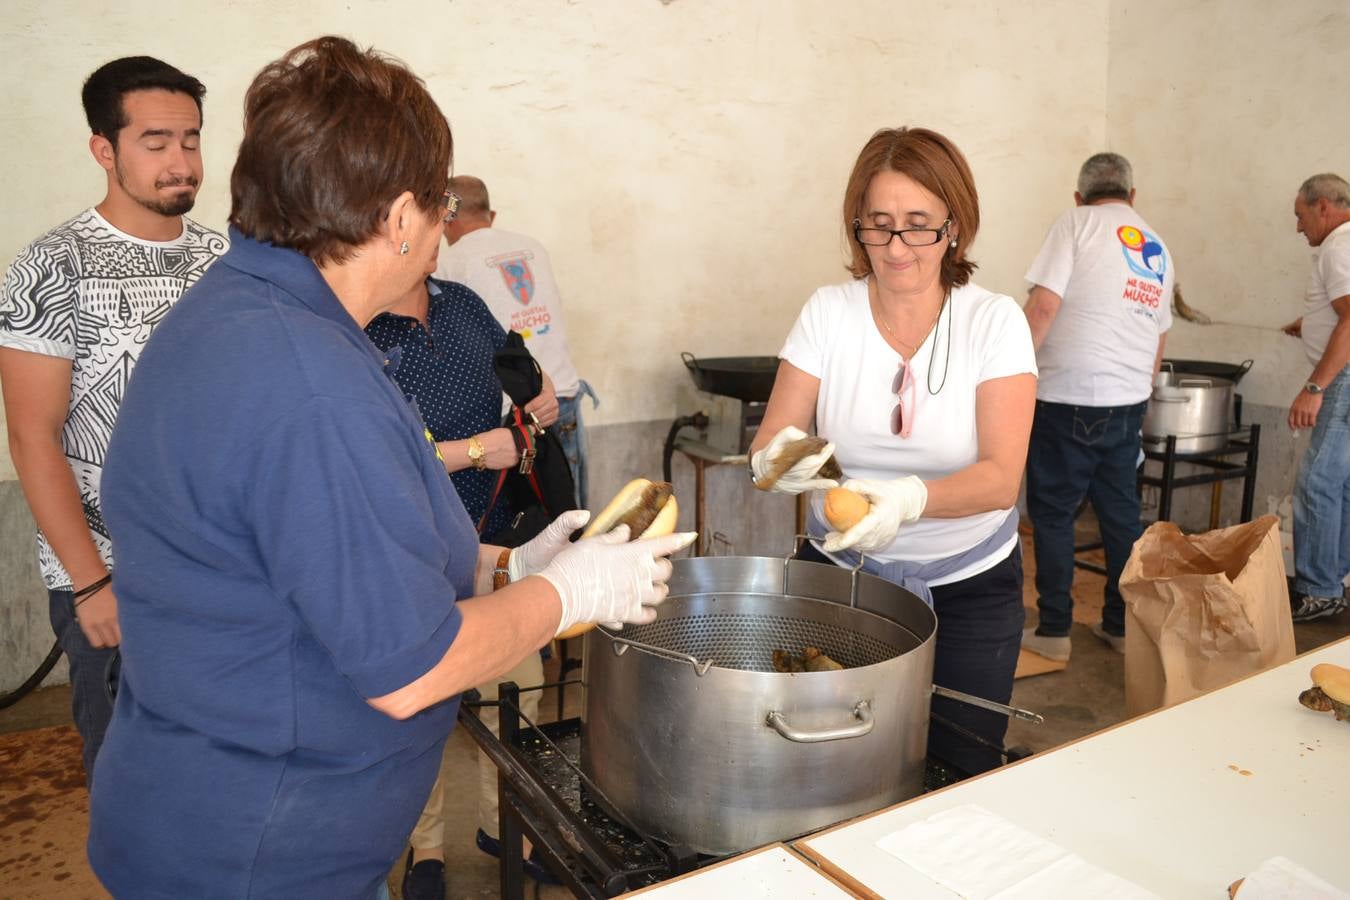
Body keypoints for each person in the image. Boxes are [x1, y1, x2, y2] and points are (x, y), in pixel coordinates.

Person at [86, 36, 693, 899]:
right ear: (402, 217)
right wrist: (570, 597)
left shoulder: (251, 314)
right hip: (262, 855)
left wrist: (509, 567)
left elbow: (314, 558)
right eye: (440, 204)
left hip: (213, 812)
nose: (444, 227)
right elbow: (410, 671)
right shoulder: (306, 383)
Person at [749, 126, 1037, 777]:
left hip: (969, 585)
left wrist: (907, 500)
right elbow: (772, 440)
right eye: (878, 226)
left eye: (918, 225)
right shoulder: (829, 312)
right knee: (832, 764)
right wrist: (786, 465)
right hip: (842, 578)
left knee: (958, 765)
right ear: (857, 228)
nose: (897, 247)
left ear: (955, 226)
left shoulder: (993, 322)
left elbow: (1000, 479)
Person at [0, 56, 224, 783]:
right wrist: (91, 583)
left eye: (190, 140)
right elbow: (33, 438)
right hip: (115, 578)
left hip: (222, 571)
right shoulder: (48, 269)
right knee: (138, 781)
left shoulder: (224, 262)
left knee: (225, 769)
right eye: (155, 142)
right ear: (105, 149)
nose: (181, 161)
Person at [364, 273, 562, 896]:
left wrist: (540, 399)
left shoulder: (465, 303)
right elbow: (372, 451)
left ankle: (504, 826)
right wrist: (480, 450)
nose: (437, 224)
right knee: (420, 706)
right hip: (406, 548)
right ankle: (425, 850)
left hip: (494, 533)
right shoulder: (355, 320)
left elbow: (521, 366)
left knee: (515, 686)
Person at [1018, 153, 1173, 662]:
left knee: (1056, 515)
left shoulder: (1076, 223)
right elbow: (1160, 335)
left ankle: (1055, 631)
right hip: (1127, 402)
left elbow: (1042, 307)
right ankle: (1120, 626)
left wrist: (1008, 374)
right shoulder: (1155, 244)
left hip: (1067, 399)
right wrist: (1139, 394)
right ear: (1131, 196)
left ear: (1080, 196)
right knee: (1121, 518)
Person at [437, 175, 596, 508]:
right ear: (490, 216)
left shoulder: (450, 263)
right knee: (571, 520)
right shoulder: (532, 246)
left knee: (525, 530)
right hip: (562, 398)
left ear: (446, 216)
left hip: (515, 417)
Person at [1280, 173, 1350, 622]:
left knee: (1317, 482)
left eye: (1301, 215)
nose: (1299, 227)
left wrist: (1314, 388)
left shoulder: (1339, 245)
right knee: (1340, 484)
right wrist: (1312, 323)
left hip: (1342, 378)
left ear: (1323, 206)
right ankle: (1333, 581)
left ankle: (1319, 590)